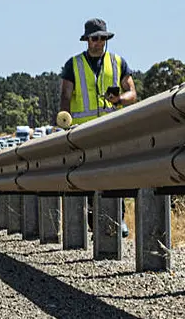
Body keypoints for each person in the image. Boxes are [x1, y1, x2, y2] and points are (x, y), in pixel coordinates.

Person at [59, 18, 138, 236]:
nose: (99, 42)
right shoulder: (73, 65)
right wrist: (65, 122)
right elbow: (65, 96)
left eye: (103, 38)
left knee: (115, 175)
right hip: (83, 132)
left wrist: (119, 99)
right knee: (89, 177)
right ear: (86, 40)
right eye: (95, 38)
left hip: (111, 130)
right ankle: (95, 223)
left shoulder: (118, 62)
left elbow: (133, 93)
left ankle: (118, 219)